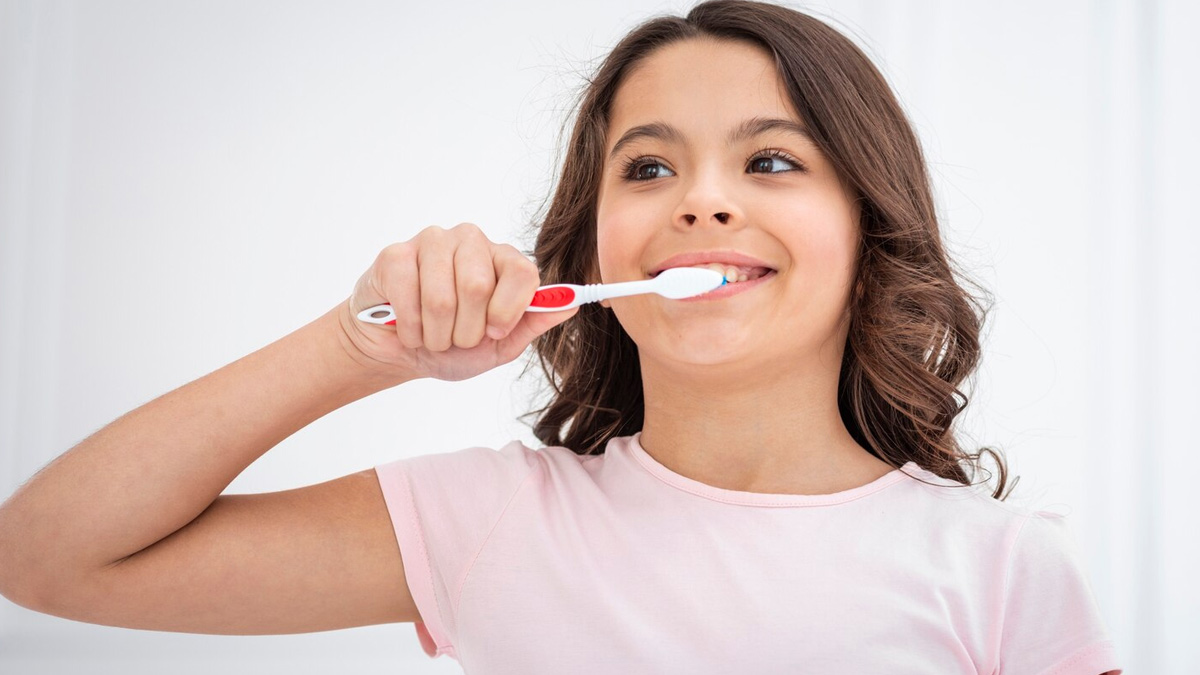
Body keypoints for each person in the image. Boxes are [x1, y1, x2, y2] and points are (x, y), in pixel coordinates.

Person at [0, 1, 1122, 673]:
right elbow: (49, 559)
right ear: (590, 254)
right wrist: (357, 346)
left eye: (771, 159)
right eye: (648, 167)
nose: (703, 201)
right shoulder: (488, 521)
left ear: (869, 231)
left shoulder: (1003, 569)